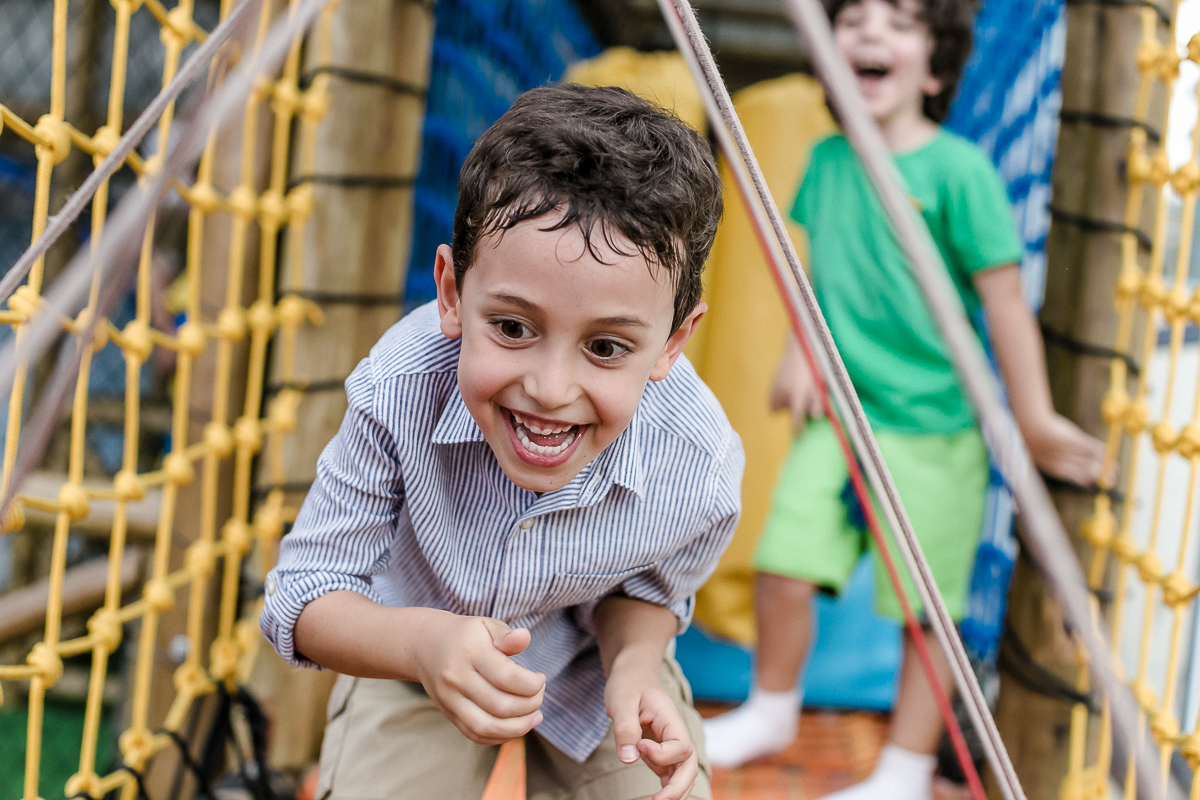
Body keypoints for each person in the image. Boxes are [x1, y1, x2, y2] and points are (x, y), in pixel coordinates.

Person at [259, 84, 743, 800]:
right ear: (452, 293)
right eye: (513, 328)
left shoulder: (696, 462)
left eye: (607, 347)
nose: (550, 388)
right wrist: (424, 646)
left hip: (590, 663)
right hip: (413, 650)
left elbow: (648, 590)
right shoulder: (399, 390)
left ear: (673, 342)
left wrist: (637, 668)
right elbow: (300, 597)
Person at [701, 0, 1105, 796]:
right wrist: (800, 355)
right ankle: (772, 706)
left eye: (900, 21)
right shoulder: (827, 161)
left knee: (930, 615)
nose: (870, 35)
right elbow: (815, 276)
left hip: (934, 431)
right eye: (852, 21)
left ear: (938, 68)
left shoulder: (960, 172)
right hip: (843, 418)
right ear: (827, 52)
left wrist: (1031, 416)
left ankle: (905, 766)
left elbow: (1003, 304)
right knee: (782, 566)